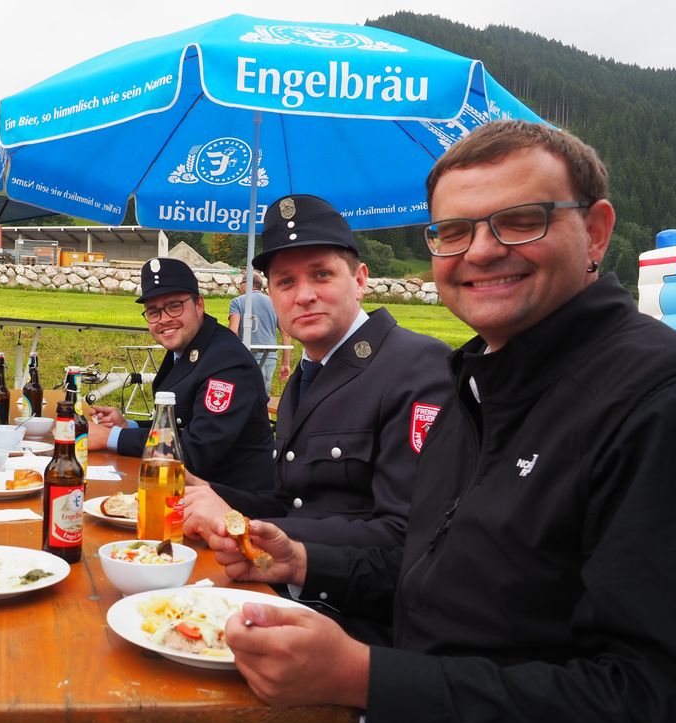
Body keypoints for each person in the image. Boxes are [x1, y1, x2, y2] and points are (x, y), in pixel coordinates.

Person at [175, 120, 676, 723]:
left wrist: (365, 678)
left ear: (597, 232)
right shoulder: (481, 382)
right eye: (454, 232)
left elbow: (669, 721)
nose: (482, 251)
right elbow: (424, 558)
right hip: (424, 722)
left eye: (521, 221)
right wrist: (303, 559)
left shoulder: (670, 397)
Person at [184, 195, 452, 548]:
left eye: (321, 274)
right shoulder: (308, 372)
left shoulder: (417, 367)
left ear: (360, 280)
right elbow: (291, 507)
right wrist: (202, 488)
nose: (304, 295)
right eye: (285, 281)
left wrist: (241, 525)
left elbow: (408, 537)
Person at [90, 257, 274, 491]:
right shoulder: (190, 346)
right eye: (153, 311)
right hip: (194, 492)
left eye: (174, 306)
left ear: (199, 305)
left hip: (235, 505)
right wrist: (130, 426)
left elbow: (197, 450)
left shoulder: (227, 361)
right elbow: (183, 424)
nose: (164, 319)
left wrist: (112, 438)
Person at [227, 269, 291, 392]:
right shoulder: (275, 302)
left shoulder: (237, 302)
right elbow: (286, 333)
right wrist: (285, 363)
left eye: (241, 283)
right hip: (270, 356)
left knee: (245, 394)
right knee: (264, 394)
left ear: (247, 284)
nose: (240, 287)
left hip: (246, 355)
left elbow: (233, 331)